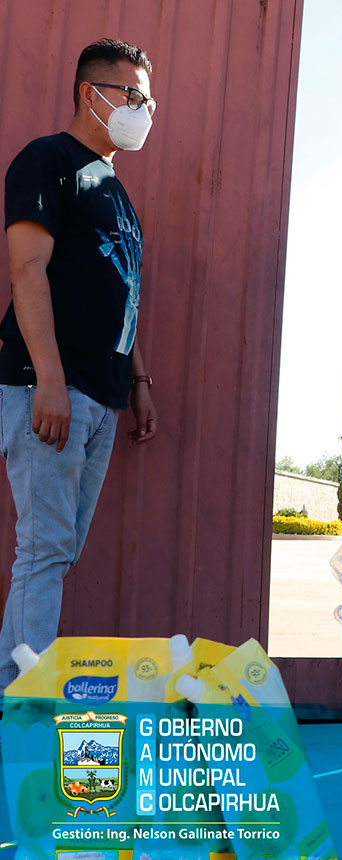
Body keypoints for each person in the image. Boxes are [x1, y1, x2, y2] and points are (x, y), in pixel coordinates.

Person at [0, 39, 159, 685]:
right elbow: (26, 268)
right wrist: (50, 380)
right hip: (51, 388)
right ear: (91, 94)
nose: (144, 111)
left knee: (56, 553)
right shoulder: (49, 160)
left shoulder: (114, 188)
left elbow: (124, 290)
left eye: (149, 101)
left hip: (102, 394)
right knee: (43, 551)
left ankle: (16, 689)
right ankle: (25, 702)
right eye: (133, 96)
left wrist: (139, 379)